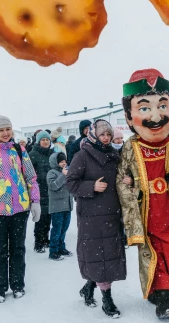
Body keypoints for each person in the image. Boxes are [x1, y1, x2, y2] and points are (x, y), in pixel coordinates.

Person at [116, 69, 169, 319]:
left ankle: (159, 289)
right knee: (151, 250)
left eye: (162, 105)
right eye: (144, 109)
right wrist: (130, 187)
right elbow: (121, 178)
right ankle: (164, 295)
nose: (155, 115)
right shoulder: (131, 146)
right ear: (129, 117)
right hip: (145, 211)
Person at [0, 115, 41, 303]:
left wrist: (35, 201)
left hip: (19, 209)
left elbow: (31, 178)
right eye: (1, 130)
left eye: (8, 129)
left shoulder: (19, 151)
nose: (5, 133)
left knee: (18, 248)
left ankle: (18, 285)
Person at [66, 120, 126, 318]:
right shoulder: (82, 156)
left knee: (106, 256)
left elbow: (121, 179)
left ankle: (89, 287)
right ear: (93, 135)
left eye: (108, 134)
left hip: (112, 213)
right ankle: (107, 300)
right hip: (91, 215)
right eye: (102, 135)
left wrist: (128, 179)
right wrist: (90, 186)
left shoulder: (114, 155)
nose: (106, 138)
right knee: (98, 254)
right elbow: (70, 183)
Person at [29, 131, 54, 253]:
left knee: (48, 216)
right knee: (40, 217)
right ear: (38, 141)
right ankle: (38, 242)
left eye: (47, 140)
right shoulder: (32, 154)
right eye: (43, 140)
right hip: (38, 190)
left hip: (51, 190)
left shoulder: (52, 154)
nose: (45, 142)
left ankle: (45, 239)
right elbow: (29, 173)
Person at [47, 152, 74, 260]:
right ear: (55, 163)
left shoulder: (68, 172)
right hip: (57, 207)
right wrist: (63, 175)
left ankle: (61, 247)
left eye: (64, 161)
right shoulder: (51, 173)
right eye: (61, 162)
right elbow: (53, 186)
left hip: (67, 205)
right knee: (56, 229)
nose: (63, 163)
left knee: (64, 229)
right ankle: (53, 251)